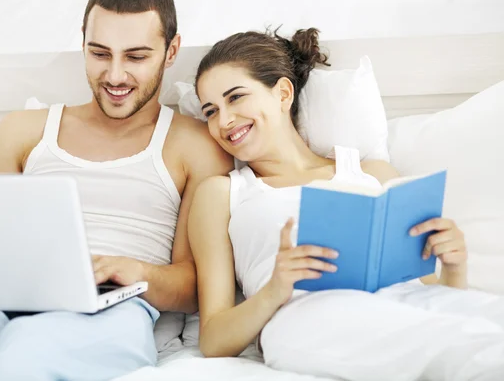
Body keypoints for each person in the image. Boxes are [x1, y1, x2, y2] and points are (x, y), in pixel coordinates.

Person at [0, 0, 233, 381]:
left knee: (24, 361)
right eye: (99, 53)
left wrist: (138, 272)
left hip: (111, 307)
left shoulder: (195, 144)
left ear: (171, 51)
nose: (114, 76)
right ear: (82, 42)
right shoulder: (23, 131)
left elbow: (194, 287)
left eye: (136, 56)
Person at [188, 27, 504, 381]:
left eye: (235, 98)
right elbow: (213, 340)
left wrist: (454, 266)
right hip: (308, 313)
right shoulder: (222, 194)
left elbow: (435, 294)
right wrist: (274, 289)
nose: (224, 121)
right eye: (211, 111)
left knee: (488, 325)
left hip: (405, 301)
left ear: (282, 93)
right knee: (469, 353)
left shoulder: (375, 174)